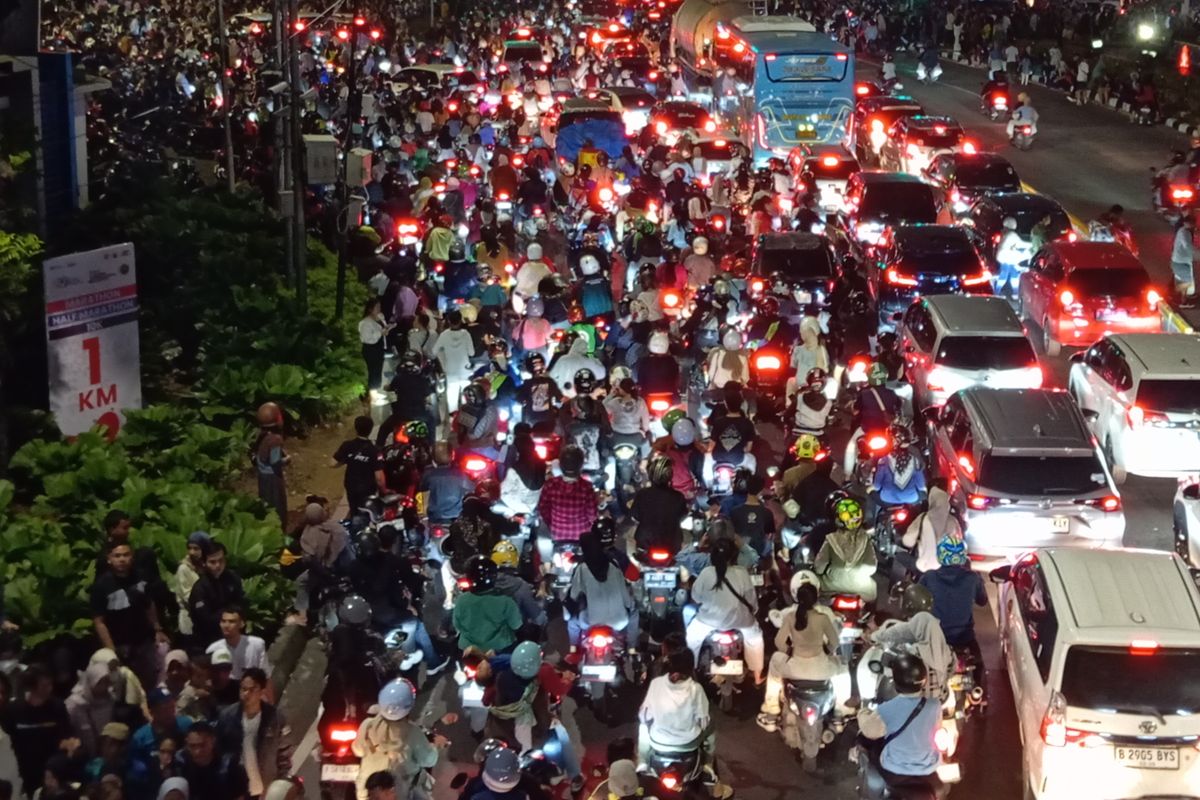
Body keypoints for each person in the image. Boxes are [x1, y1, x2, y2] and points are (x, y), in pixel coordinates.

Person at [757, 578, 850, 737]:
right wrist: (826, 652)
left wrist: (790, 651)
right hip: (821, 669)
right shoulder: (823, 618)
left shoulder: (791, 617)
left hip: (794, 668)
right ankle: (841, 709)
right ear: (816, 599)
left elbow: (778, 642)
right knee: (842, 665)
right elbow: (835, 642)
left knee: (775, 661)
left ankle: (772, 707)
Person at [856, 655, 944, 798]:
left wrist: (862, 712)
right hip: (928, 770)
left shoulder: (886, 709)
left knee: (871, 752)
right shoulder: (935, 705)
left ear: (896, 681)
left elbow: (869, 731)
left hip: (895, 771)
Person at [90, 540, 167, 694]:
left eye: (126, 555)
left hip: (143, 641)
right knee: (123, 688)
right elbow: (99, 622)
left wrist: (157, 629)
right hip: (119, 644)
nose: (122, 559)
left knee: (149, 683)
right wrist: (111, 650)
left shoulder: (140, 577)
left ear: (132, 556)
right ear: (109, 559)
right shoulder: (101, 586)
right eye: (117, 556)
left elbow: (149, 604)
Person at [685, 538, 764, 683]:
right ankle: (757, 675)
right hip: (741, 620)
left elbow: (696, 597)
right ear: (733, 556)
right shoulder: (742, 573)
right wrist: (752, 613)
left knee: (692, 639)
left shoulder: (706, 573)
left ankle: (689, 673)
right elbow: (752, 600)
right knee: (755, 639)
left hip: (708, 621)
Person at [353, 679, 447, 800]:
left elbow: (358, 751)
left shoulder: (367, 725)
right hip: (400, 793)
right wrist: (435, 746)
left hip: (365, 793)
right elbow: (428, 761)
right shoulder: (413, 732)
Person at [920, 537, 987, 691]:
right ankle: (979, 698)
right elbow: (982, 601)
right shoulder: (972, 577)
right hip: (964, 637)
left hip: (936, 637)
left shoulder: (929, 577)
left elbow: (917, 598)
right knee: (978, 667)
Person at [217, 668, 292, 799]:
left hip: (267, 787)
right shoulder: (227, 717)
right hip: (238, 789)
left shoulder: (275, 718)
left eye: (252, 690)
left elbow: (284, 752)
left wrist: (282, 781)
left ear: (262, 691)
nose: (246, 694)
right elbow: (220, 752)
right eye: (243, 689)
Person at [637, 649, 714, 772]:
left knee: (643, 726)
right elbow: (703, 721)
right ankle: (708, 765)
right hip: (688, 743)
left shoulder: (656, 683)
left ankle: (642, 762)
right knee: (711, 728)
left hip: (658, 741)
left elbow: (644, 716)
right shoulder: (696, 689)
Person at [566, 528, 639, 656]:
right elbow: (625, 596)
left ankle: (573, 650)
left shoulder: (582, 569)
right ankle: (632, 648)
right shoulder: (614, 564)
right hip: (619, 622)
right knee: (634, 612)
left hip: (591, 622)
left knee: (572, 621)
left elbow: (574, 595)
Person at [2, 664, 70, 794]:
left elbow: (65, 738)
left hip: (53, 770)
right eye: (44, 686)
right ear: (31, 686)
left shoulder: (57, 707)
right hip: (24, 772)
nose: (49, 689)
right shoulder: (13, 710)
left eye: (50, 684)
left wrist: (54, 767)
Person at [536, 446, 598, 563]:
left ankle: (546, 565)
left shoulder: (551, 484)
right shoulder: (586, 487)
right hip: (582, 536)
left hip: (557, 534)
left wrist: (553, 522)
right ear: (580, 465)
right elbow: (592, 516)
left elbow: (543, 509)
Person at [453, 557, 523, 654]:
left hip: (470, 650)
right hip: (500, 648)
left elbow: (457, 625)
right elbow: (516, 625)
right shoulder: (506, 601)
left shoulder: (461, 600)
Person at [814, 497, 877, 602]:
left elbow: (820, 567)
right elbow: (871, 567)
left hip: (831, 587)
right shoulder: (865, 539)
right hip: (860, 589)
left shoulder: (831, 539)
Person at [189, 542, 247, 647]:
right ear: (204, 563)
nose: (218, 565)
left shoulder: (233, 578)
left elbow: (241, 604)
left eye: (221, 561)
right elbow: (205, 620)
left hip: (235, 638)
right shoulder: (200, 588)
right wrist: (228, 611)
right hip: (208, 642)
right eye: (212, 562)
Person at [130, 689, 192, 785]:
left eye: (172, 707)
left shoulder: (186, 725)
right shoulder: (140, 738)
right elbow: (137, 770)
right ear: (152, 711)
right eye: (165, 709)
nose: (170, 712)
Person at [898, 482, 961, 577]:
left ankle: (895, 588)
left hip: (922, 566)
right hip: (945, 569)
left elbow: (908, 541)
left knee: (899, 556)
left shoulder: (924, 518)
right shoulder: (953, 522)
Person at [631, 456, 689, 555]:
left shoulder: (642, 494)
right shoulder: (678, 496)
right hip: (672, 543)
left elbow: (635, 515)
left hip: (645, 543)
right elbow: (682, 516)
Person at [177, 721, 251, 800]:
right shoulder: (182, 767)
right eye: (192, 746)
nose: (197, 751)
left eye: (202, 745)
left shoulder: (230, 766)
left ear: (213, 741)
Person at [333, 416, 386, 515]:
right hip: (367, 489)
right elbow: (379, 478)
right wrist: (384, 491)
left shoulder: (347, 445)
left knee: (354, 511)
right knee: (367, 512)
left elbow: (332, 463)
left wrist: (348, 459)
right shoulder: (374, 450)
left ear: (355, 428)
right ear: (371, 430)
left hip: (351, 486)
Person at [210, 607, 272, 686]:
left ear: (242, 624)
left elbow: (266, 677)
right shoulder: (213, 649)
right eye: (223, 621)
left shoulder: (257, 644)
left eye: (231, 621)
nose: (226, 625)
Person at [252, 402, 289, 527]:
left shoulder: (261, 435)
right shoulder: (275, 439)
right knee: (278, 507)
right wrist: (287, 459)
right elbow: (275, 462)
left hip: (262, 477)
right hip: (273, 479)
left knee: (266, 505)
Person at [433, 310, 477, 413]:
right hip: (465, 372)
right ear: (460, 321)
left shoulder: (444, 335)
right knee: (466, 400)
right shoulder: (466, 334)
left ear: (448, 321)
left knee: (451, 401)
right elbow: (471, 353)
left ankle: (453, 420)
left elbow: (434, 351)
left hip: (451, 372)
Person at [419, 443, 475, 524]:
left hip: (435, 516)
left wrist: (423, 516)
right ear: (452, 455)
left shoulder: (428, 474)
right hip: (455, 515)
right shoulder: (460, 474)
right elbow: (471, 489)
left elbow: (422, 492)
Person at [175, 532, 211, 641]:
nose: (192, 552)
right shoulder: (184, 569)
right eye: (190, 548)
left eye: (196, 549)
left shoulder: (207, 567)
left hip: (207, 621)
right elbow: (188, 597)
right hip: (190, 620)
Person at [729, 474, 775, 557]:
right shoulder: (767, 513)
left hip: (740, 553)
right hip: (759, 554)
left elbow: (732, 534)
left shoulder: (734, 512)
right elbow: (770, 536)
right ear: (761, 491)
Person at [361, 298, 393, 395]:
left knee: (378, 369)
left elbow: (383, 329)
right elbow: (367, 338)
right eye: (377, 307)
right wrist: (381, 333)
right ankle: (372, 392)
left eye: (379, 307)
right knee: (373, 370)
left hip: (380, 347)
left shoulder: (380, 317)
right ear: (370, 309)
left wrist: (386, 329)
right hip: (371, 348)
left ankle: (376, 390)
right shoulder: (365, 323)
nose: (379, 309)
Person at [1171, 217, 1196, 307]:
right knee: (1191, 281)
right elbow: (1187, 246)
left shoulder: (1184, 231)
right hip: (1180, 263)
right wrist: (1197, 253)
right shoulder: (1184, 233)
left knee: (1187, 281)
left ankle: (1183, 301)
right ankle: (1173, 293)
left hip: (1181, 261)